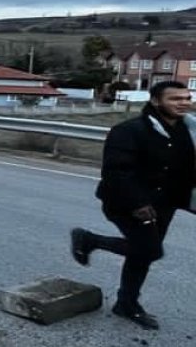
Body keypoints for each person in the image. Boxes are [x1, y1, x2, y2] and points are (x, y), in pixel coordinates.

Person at [70, 81, 194, 330]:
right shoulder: (129, 130)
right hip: (126, 202)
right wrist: (138, 203)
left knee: (142, 255)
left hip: (165, 203)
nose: (183, 103)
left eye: (186, 97)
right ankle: (89, 240)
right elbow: (116, 172)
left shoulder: (189, 131)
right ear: (156, 102)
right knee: (149, 250)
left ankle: (126, 303)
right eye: (174, 99)